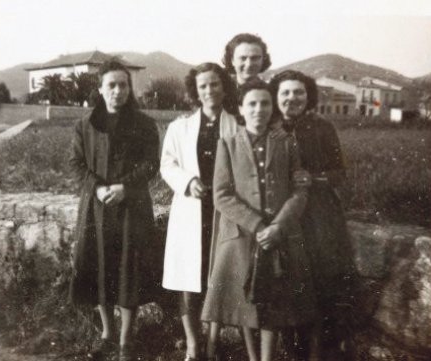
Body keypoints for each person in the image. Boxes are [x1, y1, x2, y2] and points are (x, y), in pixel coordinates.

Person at [201, 80, 316, 361]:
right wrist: (258, 226)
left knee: (274, 304)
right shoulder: (227, 144)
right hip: (242, 237)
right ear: (241, 108)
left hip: (280, 237)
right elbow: (222, 195)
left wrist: (278, 226)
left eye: (265, 103)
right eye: (251, 103)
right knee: (247, 303)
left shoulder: (286, 143)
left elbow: (300, 190)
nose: (259, 109)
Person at [69, 60, 160, 361]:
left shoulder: (145, 124)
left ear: (129, 88)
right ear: (100, 89)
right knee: (100, 268)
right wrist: (96, 187)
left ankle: (125, 341)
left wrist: (125, 188)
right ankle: (107, 333)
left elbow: (151, 165)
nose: (118, 91)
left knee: (127, 270)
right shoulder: (84, 125)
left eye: (123, 85)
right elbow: (77, 164)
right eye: (112, 85)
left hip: (131, 209)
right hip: (96, 209)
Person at [269, 70, 357, 360]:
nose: (291, 98)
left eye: (298, 93)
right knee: (284, 282)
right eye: (285, 93)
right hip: (282, 212)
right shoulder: (270, 127)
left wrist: (314, 179)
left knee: (319, 283)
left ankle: (318, 351)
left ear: (308, 97)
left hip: (318, 215)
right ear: (276, 96)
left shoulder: (322, 127)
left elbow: (339, 173)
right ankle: (291, 349)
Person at [161, 63, 240, 361]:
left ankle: (213, 342)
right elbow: (167, 164)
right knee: (187, 278)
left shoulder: (237, 125)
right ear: (195, 91)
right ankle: (193, 344)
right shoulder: (179, 127)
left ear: (224, 87)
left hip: (224, 210)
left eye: (215, 84)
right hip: (191, 209)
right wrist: (188, 181)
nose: (209, 91)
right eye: (203, 86)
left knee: (216, 276)